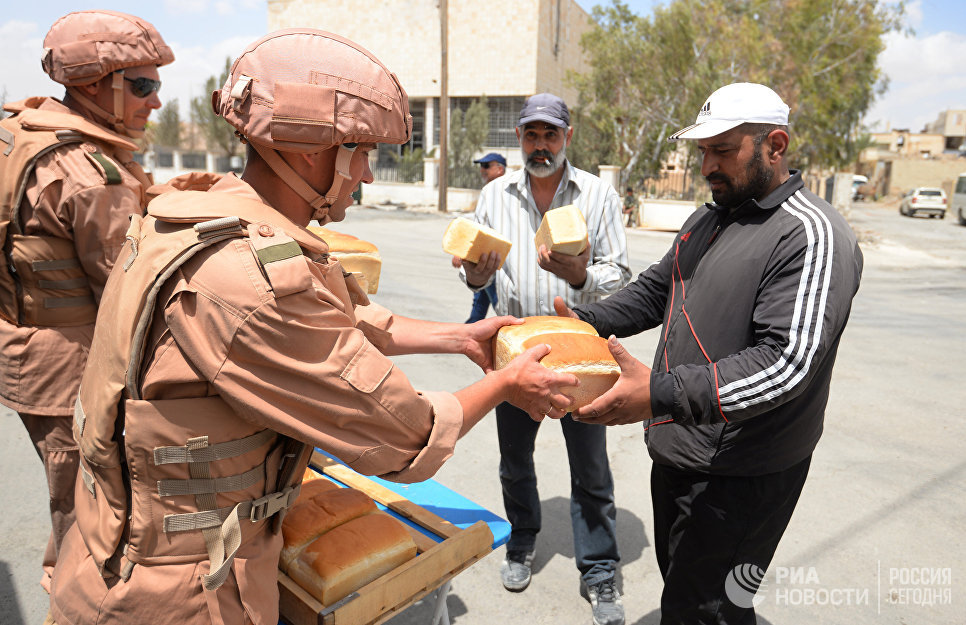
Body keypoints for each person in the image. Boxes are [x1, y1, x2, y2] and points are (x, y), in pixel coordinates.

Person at [47, 29, 577, 625]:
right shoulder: (248, 278)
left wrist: (458, 338)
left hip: (115, 553)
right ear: (308, 151)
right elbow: (404, 437)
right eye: (362, 152)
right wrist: (506, 385)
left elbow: (343, 319)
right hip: (176, 594)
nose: (368, 175)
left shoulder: (201, 214)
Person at [561, 82, 864, 625]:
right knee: (685, 587)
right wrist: (582, 324)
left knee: (707, 610)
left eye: (723, 149)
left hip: (742, 473)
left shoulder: (810, 234)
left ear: (775, 144)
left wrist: (656, 394)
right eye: (703, 151)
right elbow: (659, 288)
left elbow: (785, 365)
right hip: (680, 447)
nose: (707, 165)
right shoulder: (710, 216)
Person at [0, 9, 172, 592]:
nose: (155, 101)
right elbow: (134, 295)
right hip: (72, 370)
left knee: (68, 493)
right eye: (143, 86)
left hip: (25, 352)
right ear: (92, 84)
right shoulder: (92, 173)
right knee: (90, 510)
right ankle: (76, 598)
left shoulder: (20, 134)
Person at [459, 92, 631, 625]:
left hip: (581, 351)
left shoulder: (598, 195)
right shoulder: (494, 196)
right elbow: (470, 273)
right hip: (515, 351)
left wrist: (578, 275)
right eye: (531, 135)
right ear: (519, 139)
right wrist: (477, 275)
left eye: (550, 135)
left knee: (591, 468)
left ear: (568, 138)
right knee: (515, 462)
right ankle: (522, 540)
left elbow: (620, 275)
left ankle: (599, 567)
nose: (541, 146)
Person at [454, 152, 507, 322]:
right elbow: (478, 227)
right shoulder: (488, 192)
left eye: (486, 166)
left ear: (500, 169)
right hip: (482, 261)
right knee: (478, 308)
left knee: (503, 310)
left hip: (496, 263)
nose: (482, 170)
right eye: (480, 167)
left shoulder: (507, 194)